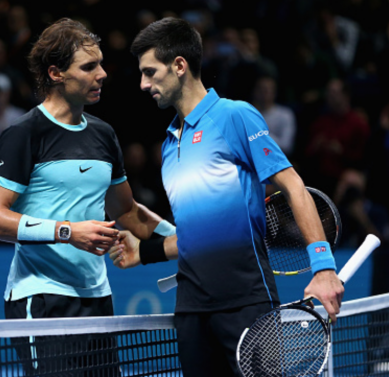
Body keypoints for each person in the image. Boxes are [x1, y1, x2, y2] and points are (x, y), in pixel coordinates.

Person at [109, 17, 344, 377]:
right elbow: (197, 234)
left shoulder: (235, 116)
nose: (143, 84)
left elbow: (293, 186)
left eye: (150, 72)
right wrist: (143, 253)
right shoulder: (169, 146)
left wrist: (324, 267)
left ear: (179, 66)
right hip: (191, 311)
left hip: (246, 304)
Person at [0, 18, 176, 376]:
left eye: (100, 64)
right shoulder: (25, 134)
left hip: (97, 298)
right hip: (41, 297)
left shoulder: (104, 135)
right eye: (88, 67)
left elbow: (127, 212)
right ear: (56, 73)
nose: (101, 74)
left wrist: (184, 241)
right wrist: (68, 231)